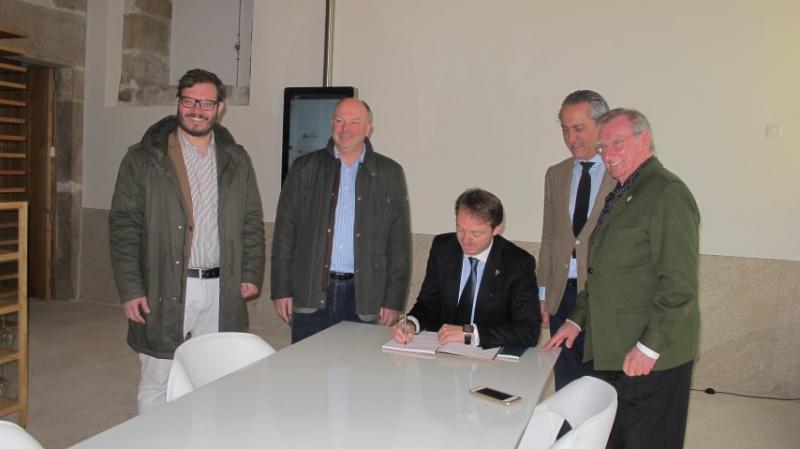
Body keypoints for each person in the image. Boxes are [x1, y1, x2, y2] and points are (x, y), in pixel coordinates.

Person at [109, 68, 265, 414]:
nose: (197, 110)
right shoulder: (143, 158)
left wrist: (250, 272)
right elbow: (124, 226)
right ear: (178, 102)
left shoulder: (237, 159)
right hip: (164, 284)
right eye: (189, 101)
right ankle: (155, 438)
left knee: (215, 376)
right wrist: (131, 288)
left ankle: (201, 436)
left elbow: (251, 220)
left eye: (206, 103)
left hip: (221, 287)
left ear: (219, 107)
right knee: (158, 378)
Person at [544, 108, 700, 449]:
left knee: (649, 440)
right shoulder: (625, 190)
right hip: (617, 348)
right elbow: (602, 272)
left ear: (644, 140)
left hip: (652, 355)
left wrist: (648, 346)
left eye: (617, 143)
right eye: (603, 147)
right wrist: (576, 320)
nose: (608, 154)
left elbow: (679, 286)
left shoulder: (666, 192)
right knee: (617, 437)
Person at [271, 98, 411, 343]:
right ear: (331, 124)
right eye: (339, 120)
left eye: (355, 122)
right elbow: (285, 231)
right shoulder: (304, 168)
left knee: (360, 366)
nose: (346, 128)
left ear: (368, 128)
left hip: (365, 296)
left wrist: (393, 301)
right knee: (307, 365)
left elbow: (399, 243)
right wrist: (281, 289)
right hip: (311, 291)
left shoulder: (390, 173)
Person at [537, 90, 616, 391]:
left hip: (602, 295)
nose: (571, 138)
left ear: (601, 124)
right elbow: (549, 235)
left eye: (578, 128)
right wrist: (543, 292)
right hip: (562, 295)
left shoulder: (619, 173)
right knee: (566, 383)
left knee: (600, 385)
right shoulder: (555, 174)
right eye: (565, 129)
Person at [394, 188, 540, 348]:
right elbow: (427, 304)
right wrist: (410, 323)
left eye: (476, 234)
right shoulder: (443, 248)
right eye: (460, 229)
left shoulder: (518, 263)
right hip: (441, 350)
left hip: (490, 354)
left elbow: (529, 331)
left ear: (497, 229)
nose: (465, 240)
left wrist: (470, 334)